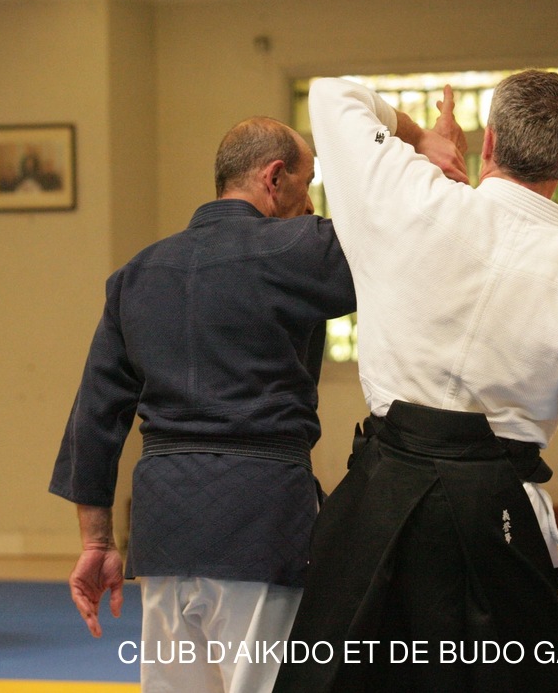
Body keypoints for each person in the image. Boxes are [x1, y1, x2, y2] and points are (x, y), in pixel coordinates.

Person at [273, 73, 558, 693]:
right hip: (497, 513)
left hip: (380, 500)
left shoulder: (410, 193)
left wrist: (421, 138)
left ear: (489, 141)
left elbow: (333, 95)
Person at [49, 116, 357, 693]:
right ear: (274, 178)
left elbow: (95, 416)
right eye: (307, 182)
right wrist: (422, 156)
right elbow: (396, 239)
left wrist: (96, 542)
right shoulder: (298, 247)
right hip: (261, 520)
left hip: (164, 529)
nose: (310, 202)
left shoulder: (136, 275)